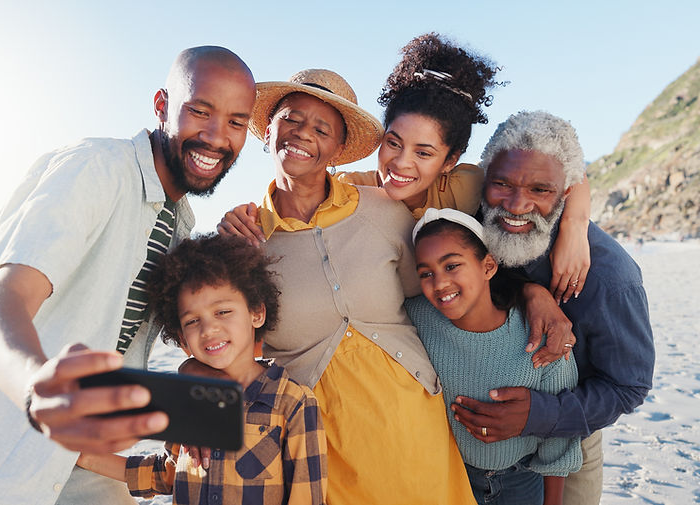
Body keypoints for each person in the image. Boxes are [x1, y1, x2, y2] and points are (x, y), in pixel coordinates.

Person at [0, 46, 257, 505]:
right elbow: (2, 298)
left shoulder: (178, 220)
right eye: (200, 111)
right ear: (163, 106)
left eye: (235, 122)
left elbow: (164, 337)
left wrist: (194, 412)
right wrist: (34, 389)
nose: (215, 135)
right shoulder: (96, 170)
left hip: (61, 445)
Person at [218, 34, 584, 367]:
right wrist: (243, 216)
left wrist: (575, 226)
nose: (401, 163)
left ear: (449, 161)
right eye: (393, 143)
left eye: (424, 153)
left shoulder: (470, 185)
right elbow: (297, 203)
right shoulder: (355, 195)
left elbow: (558, 175)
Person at [224, 67, 477, 504]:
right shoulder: (243, 242)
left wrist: (535, 294)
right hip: (318, 443)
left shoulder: (386, 212)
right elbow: (223, 347)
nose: (304, 134)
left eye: (322, 128)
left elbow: (437, 292)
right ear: (268, 129)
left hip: (414, 424)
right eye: (292, 118)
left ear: (340, 149)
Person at [449, 111, 655, 505]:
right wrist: (530, 290)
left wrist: (537, 415)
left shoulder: (610, 278)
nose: (516, 205)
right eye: (502, 184)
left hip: (567, 444)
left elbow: (628, 385)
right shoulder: (472, 229)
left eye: (540, 191)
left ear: (565, 194)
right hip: (467, 452)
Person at [76, 234, 327, 505]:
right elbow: (166, 473)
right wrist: (83, 456)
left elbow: (307, 498)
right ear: (182, 337)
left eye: (223, 312)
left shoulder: (293, 404)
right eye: (193, 320)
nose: (209, 330)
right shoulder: (185, 399)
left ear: (256, 313)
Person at [405, 208, 580, 505]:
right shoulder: (416, 319)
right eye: (426, 273)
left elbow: (560, 438)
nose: (439, 283)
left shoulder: (542, 336)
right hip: (450, 475)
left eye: (451, 266)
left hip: (521, 480)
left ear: (488, 266)